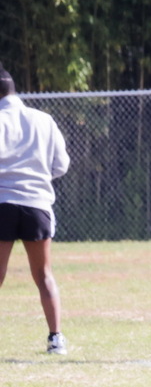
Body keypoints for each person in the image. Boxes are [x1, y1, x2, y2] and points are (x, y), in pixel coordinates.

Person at [0, 64, 70, 354]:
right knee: (44, 275)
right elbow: (61, 165)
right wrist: (36, 177)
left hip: (2, 203)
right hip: (37, 204)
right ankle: (56, 339)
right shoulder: (43, 119)